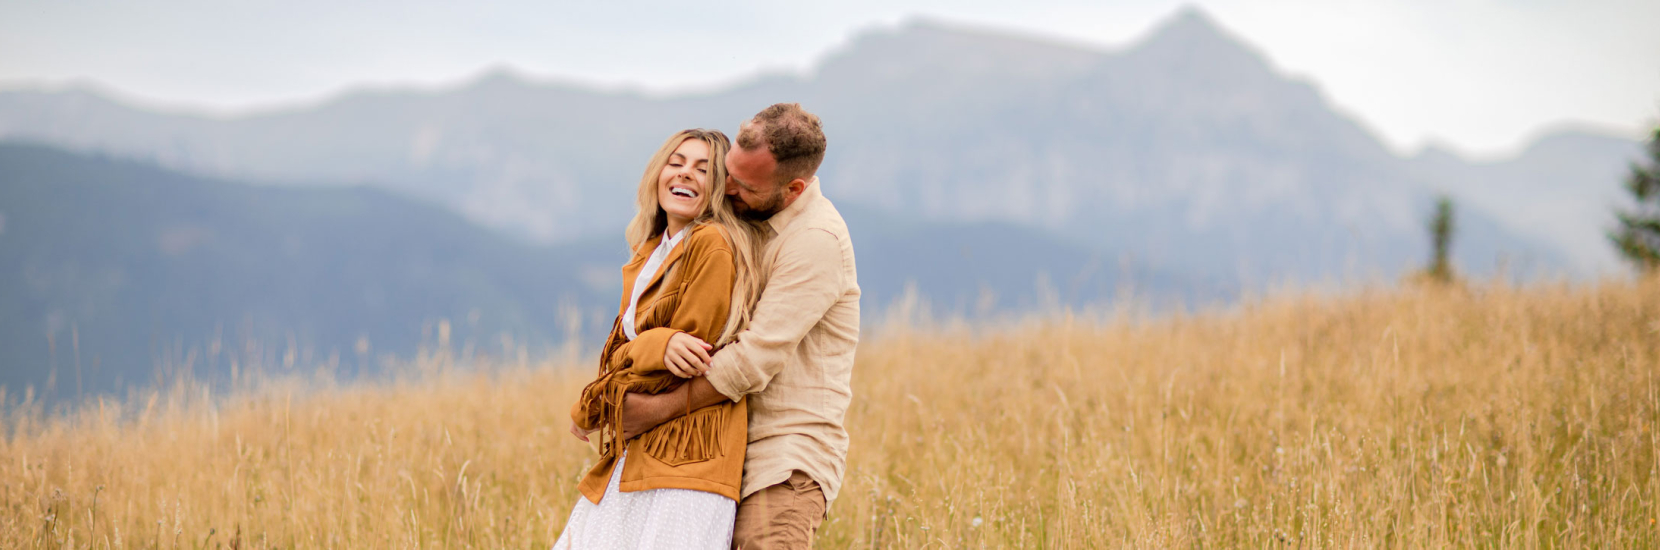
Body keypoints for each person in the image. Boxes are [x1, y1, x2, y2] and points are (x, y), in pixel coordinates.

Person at [616, 103, 860, 549]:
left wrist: (650, 412)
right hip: (720, 452)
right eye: (727, 172)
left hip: (783, 459)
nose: (726, 188)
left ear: (794, 188)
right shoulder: (742, 225)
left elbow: (751, 360)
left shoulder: (815, 240)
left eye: (744, 185)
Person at [556, 128, 768, 549]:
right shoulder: (650, 253)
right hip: (647, 451)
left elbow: (686, 358)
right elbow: (620, 354)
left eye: (703, 169)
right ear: (658, 174)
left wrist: (596, 403)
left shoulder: (712, 243)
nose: (686, 174)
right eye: (677, 163)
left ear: (720, 188)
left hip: (690, 459)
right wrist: (651, 350)